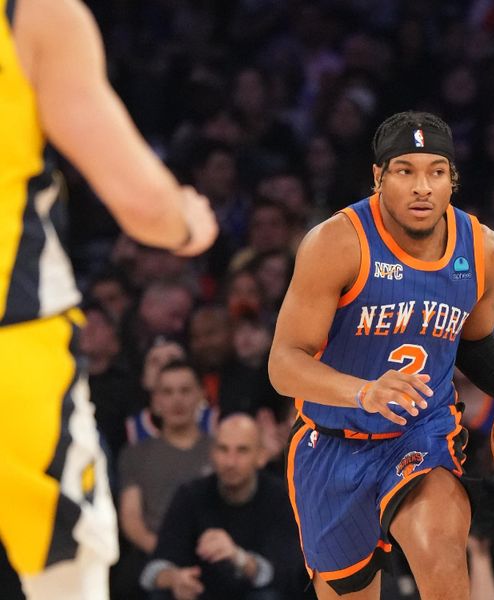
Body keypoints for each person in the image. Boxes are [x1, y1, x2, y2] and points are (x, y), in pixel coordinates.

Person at [268, 111, 494, 599]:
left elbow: (474, 339)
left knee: (440, 546)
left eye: (436, 172)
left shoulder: (485, 252)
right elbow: (283, 364)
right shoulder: (337, 243)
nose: (422, 186)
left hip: (420, 431)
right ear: (379, 177)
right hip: (333, 442)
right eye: (405, 170)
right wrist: (363, 391)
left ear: (452, 180)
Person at [0, 0, 218, 598]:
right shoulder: (36, 15)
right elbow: (142, 205)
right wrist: (188, 225)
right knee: (66, 572)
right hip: (14, 348)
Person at [140, 414, 310, 600]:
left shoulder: (280, 497)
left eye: (242, 451)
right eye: (223, 449)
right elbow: (153, 569)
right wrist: (175, 579)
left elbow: (289, 576)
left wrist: (239, 558)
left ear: (261, 456)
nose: (230, 462)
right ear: (212, 453)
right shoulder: (191, 494)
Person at [115, 360, 213, 598]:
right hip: (153, 556)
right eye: (167, 392)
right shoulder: (135, 454)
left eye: (185, 390)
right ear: (155, 401)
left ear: (201, 395)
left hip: (211, 556)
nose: (177, 400)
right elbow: (131, 520)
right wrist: (168, 556)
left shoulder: (222, 450)